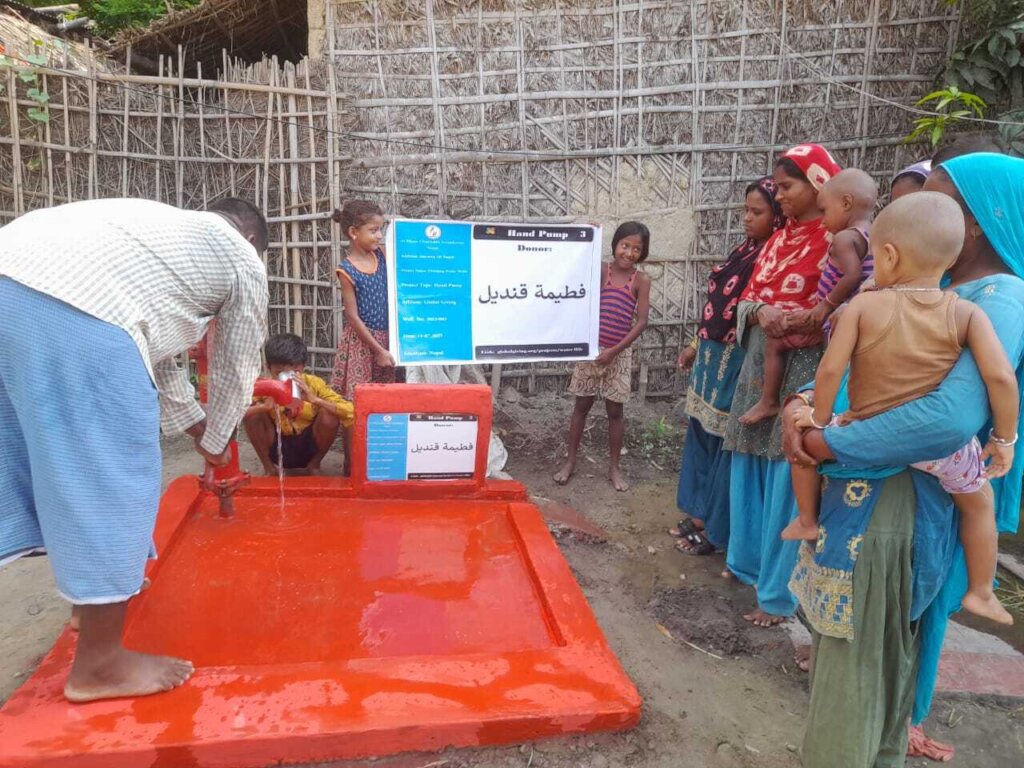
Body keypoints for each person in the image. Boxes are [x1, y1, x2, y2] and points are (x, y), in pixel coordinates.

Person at [787, 153, 1024, 766]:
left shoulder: (999, 297)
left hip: (892, 500)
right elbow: (852, 372)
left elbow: (946, 419)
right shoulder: (948, 298)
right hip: (886, 487)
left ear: (974, 222)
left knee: (860, 662)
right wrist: (804, 401)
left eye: (939, 195)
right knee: (875, 660)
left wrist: (822, 441)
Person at [0, 197, 270, 702]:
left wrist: (195, 426)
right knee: (109, 474)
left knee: (50, 463)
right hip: (73, 306)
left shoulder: (158, 242)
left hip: (12, 280)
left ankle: (88, 605)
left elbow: (158, 348)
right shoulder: (240, 257)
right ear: (254, 242)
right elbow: (236, 364)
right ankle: (100, 666)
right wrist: (217, 444)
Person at [786, 192, 1016, 626]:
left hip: (866, 427)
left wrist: (816, 417)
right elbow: (1001, 378)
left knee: (803, 451)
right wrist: (1004, 439)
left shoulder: (863, 306)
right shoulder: (967, 312)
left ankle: (807, 519)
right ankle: (982, 591)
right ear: (949, 262)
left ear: (887, 256)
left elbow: (832, 368)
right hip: (942, 451)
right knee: (979, 502)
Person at [723, 142, 839, 627]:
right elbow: (747, 300)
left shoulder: (836, 241)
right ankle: (746, 564)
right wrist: (762, 311)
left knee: (786, 475)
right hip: (758, 367)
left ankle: (777, 594)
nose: (780, 195)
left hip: (803, 372)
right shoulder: (780, 239)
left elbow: (833, 313)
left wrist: (792, 320)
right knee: (749, 463)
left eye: (787, 186)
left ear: (818, 183)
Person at [673, 177, 784, 554]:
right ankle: (700, 513)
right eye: (745, 210)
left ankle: (716, 530)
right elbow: (717, 310)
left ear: (778, 214)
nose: (747, 219)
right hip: (710, 358)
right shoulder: (744, 251)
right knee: (701, 434)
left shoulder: (773, 259)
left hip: (738, 361)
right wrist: (693, 345)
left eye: (757, 212)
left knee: (725, 445)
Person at [739, 168, 875, 423]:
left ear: (846, 203)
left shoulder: (843, 239)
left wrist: (826, 305)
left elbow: (853, 275)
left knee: (778, 345)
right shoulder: (875, 236)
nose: (822, 222)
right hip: (845, 321)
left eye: (824, 211)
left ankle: (773, 402)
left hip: (829, 321)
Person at [553, 221, 652, 492]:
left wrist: (614, 351)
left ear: (642, 254)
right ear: (614, 245)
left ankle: (614, 468)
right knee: (581, 407)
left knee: (615, 411)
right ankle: (570, 461)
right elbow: (577, 277)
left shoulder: (641, 281)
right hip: (591, 351)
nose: (629, 253)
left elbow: (641, 322)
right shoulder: (602, 271)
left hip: (618, 355)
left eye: (636, 249)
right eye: (625, 245)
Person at [330, 200, 394, 474]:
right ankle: (351, 464)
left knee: (387, 403)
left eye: (381, 230)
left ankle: (380, 461)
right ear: (354, 233)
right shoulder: (347, 269)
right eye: (374, 230)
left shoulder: (384, 257)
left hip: (389, 341)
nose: (379, 236)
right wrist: (377, 349)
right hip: (361, 344)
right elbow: (353, 317)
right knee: (354, 408)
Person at [244, 334, 355, 476]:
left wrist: (316, 400)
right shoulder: (264, 386)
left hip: (308, 445)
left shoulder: (314, 384)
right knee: (253, 415)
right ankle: (269, 468)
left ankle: (313, 466)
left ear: (303, 366)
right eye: (279, 372)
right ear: (268, 367)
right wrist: (262, 407)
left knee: (330, 414)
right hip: (276, 443)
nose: (287, 376)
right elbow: (233, 415)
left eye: (295, 370)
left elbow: (351, 411)